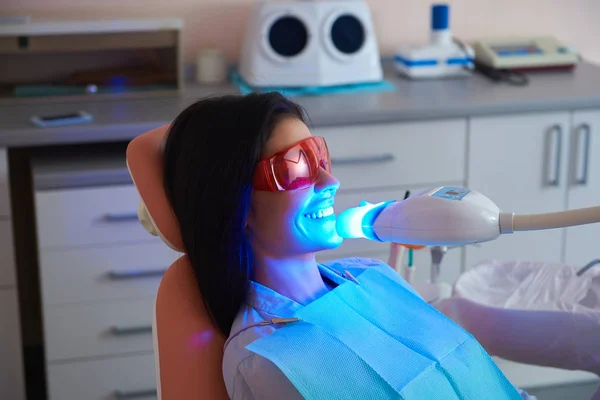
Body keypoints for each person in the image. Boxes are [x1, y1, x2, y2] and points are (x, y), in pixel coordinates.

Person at [162, 92, 535, 399]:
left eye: (319, 156)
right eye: (295, 167)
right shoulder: (263, 360)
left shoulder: (371, 274)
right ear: (235, 204)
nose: (330, 181)